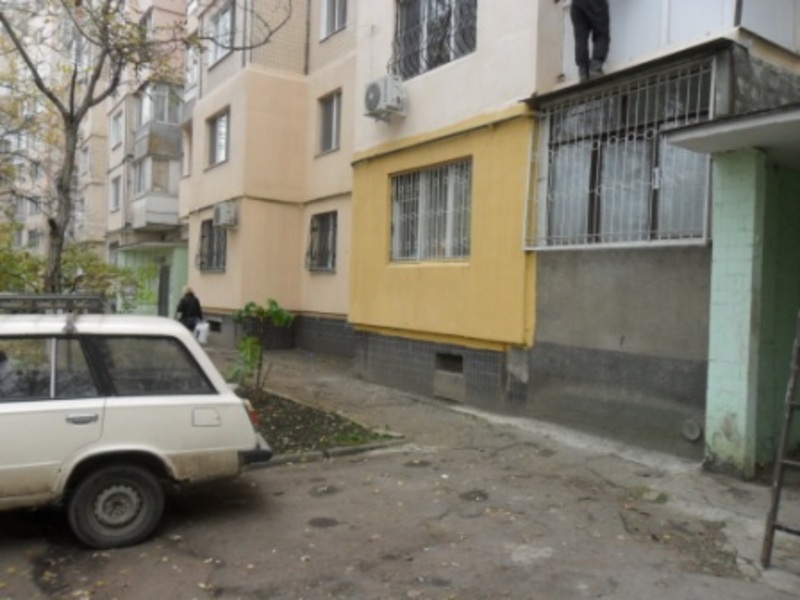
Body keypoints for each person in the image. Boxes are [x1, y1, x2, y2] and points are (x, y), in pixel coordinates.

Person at [567, 0, 610, 82]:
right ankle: (595, 68)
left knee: (581, 38)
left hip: (576, 4)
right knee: (601, 34)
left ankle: (583, 72)